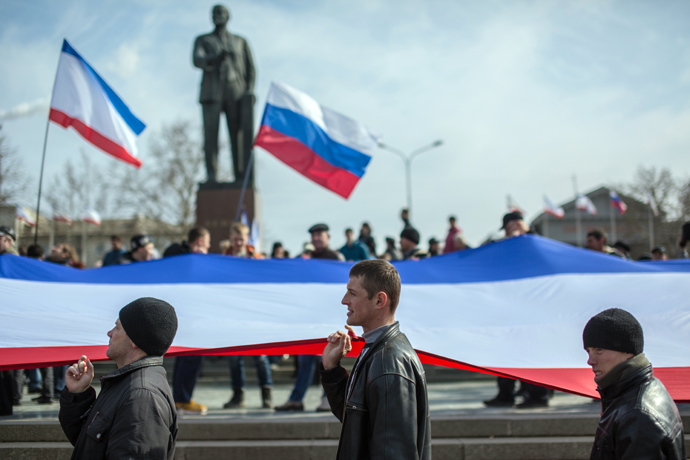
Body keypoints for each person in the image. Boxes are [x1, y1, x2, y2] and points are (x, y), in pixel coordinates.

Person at [319, 259, 431, 459]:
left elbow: (394, 453)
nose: (344, 300)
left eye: (352, 293)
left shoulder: (389, 361)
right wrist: (331, 369)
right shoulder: (378, 349)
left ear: (380, 300)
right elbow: (355, 419)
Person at [59, 297, 178, 459]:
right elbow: (89, 445)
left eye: (117, 327)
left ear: (135, 340)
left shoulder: (141, 396)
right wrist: (78, 395)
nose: (109, 333)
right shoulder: (127, 383)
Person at [583, 308, 685, 459]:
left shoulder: (637, 415)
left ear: (628, 351)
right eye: (588, 351)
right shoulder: (647, 389)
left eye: (599, 350)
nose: (590, 361)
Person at [484, 212, 550, 408]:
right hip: (509, 307)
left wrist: (523, 237)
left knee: (531, 350)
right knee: (505, 350)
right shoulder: (505, 246)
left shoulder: (535, 241)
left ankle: (538, 394)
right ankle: (505, 393)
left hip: (532, 308)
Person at [193, 4, 255, 183]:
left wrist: (248, 90)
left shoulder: (240, 41)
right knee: (210, 136)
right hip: (212, 92)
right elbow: (197, 60)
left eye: (221, 13)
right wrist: (216, 57)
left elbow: (251, 69)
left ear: (228, 17)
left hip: (235, 92)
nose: (218, 16)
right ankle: (211, 175)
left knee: (237, 135)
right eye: (214, 13)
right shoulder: (203, 39)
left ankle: (240, 175)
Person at [223, 222, 272, 409]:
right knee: (234, 357)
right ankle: (238, 394)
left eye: (241, 239)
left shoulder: (256, 257)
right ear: (230, 239)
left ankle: (266, 393)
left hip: (253, 313)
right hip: (232, 313)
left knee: (260, 356)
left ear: (246, 239)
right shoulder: (223, 258)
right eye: (234, 239)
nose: (237, 242)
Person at [164, 227, 211, 415]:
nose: (208, 248)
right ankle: (181, 400)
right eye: (207, 244)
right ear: (199, 242)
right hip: (182, 315)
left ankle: (182, 398)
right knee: (189, 357)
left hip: (194, 315)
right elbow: (171, 262)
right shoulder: (176, 252)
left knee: (192, 358)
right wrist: (194, 258)